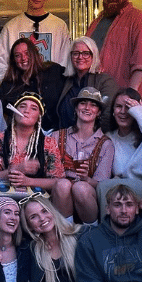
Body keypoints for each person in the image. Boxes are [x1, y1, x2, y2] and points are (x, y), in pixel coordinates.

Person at [97, 87, 142, 220]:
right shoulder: (110, 138)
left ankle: (105, 232)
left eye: (128, 107)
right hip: (125, 191)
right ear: (113, 111)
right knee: (102, 188)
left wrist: (141, 115)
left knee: (104, 187)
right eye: (119, 107)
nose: (123, 112)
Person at [50, 87, 114, 223]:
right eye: (83, 103)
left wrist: (86, 179)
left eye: (93, 105)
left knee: (81, 188)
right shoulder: (57, 136)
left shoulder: (106, 144)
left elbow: (102, 185)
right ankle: (66, 232)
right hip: (59, 194)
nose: (87, 108)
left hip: (87, 198)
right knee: (63, 185)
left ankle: (91, 232)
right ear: (76, 108)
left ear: (98, 112)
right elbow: (48, 174)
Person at [86, 0, 142, 102]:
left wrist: (130, 94)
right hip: (95, 98)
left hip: (123, 100)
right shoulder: (95, 23)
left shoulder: (141, 19)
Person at [0, 93, 64, 198]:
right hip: (3, 196)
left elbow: (57, 181)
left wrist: (28, 181)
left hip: (37, 197)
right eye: (22, 106)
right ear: (14, 112)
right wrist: (16, 169)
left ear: (39, 118)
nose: (26, 111)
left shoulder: (48, 143)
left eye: (33, 108)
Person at [0, 0, 73, 80]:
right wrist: (10, 85)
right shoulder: (11, 27)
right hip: (19, 88)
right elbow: (0, 62)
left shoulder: (59, 26)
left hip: (51, 86)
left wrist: (57, 83)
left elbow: (65, 60)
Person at [0, 38, 66, 131]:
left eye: (27, 53)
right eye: (18, 55)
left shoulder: (54, 71)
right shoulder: (10, 83)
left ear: (34, 53)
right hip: (24, 135)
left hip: (56, 132)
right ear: (14, 60)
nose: (23, 58)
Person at [55, 37, 119, 131]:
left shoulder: (105, 81)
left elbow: (108, 115)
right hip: (64, 138)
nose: (80, 57)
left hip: (94, 140)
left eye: (86, 53)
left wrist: (95, 139)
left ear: (93, 56)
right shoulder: (65, 81)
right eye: (76, 53)